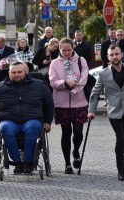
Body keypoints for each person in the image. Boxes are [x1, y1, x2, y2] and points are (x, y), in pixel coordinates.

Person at [0, 61, 54, 173]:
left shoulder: (39, 85)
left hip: (31, 119)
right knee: (5, 128)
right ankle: (17, 162)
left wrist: (47, 121)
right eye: (14, 72)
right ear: (9, 73)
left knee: (32, 128)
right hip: (9, 120)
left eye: (19, 72)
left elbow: (49, 103)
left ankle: (27, 162)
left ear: (25, 72)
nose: (17, 74)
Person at [88, 43, 124, 181]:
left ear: (122, 55)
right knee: (121, 138)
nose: (114, 57)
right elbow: (95, 93)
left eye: (117, 54)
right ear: (108, 57)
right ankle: (121, 171)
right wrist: (91, 110)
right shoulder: (103, 73)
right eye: (111, 55)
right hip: (114, 111)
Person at [49, 38, 89, 174]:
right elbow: (53, 82)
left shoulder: (81, 60)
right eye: (63, 50)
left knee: (78, 132)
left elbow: (84, 79)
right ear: (59, 49)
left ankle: (76, 150)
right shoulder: (54, 63)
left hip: (79, 101)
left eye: (69, 50)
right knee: (66, 132)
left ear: (73, 48)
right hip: (62, 103)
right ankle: (67, 164)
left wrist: (75, 88)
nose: (66, 52)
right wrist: (66, 83)